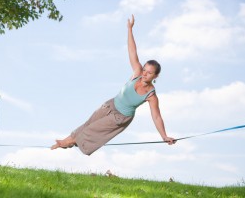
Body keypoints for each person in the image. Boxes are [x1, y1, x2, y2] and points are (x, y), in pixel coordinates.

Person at [51, 15, 176, 155]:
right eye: (145, 70)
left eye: (149, 73)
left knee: (90, 131)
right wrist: (130, 29)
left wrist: (164, 136)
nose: (145, 74)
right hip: (110, 105)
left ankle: (68, 142)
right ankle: (64, 142)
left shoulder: (151, 95)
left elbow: (157, 117)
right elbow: (132, 51)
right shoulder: (137, 73)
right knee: (87, 125)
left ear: (155, 76)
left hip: (120, 117)